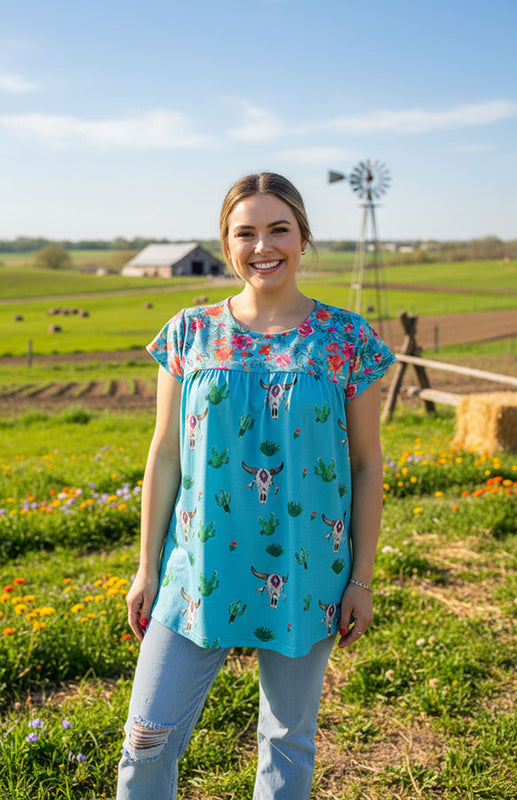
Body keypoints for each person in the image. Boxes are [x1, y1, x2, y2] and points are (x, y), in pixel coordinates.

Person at [116, 172, 396, 800]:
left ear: (303, 238)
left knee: (287, 739)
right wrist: (146, 568)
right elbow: (163, 455)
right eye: (245, 232)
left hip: (307, 571)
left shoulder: (346, 338)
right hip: (195, 568)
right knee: (144, 740)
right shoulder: (189, 332)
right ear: (226, 242)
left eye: (279, 229)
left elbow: (366, 467)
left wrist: (360, 579)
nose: (262, 246)